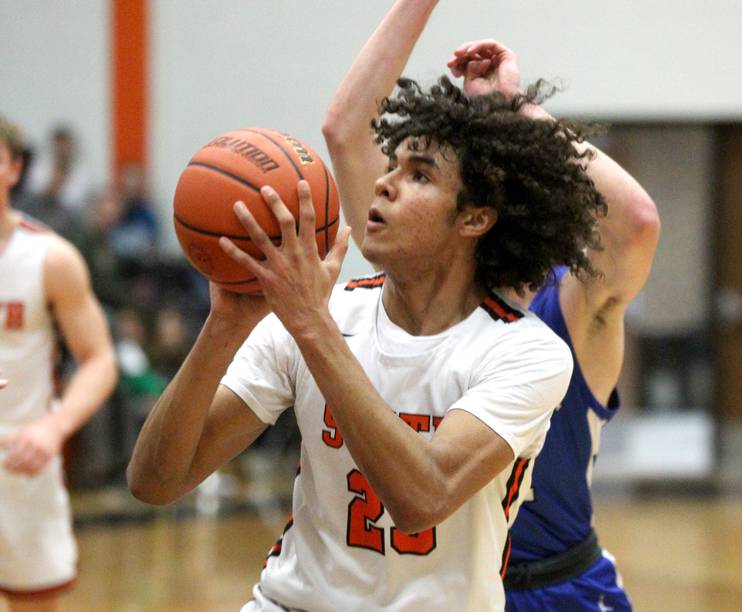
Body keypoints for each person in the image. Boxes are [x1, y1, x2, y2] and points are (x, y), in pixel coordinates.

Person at [126, 2, 607, 610]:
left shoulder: (526, 352)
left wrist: (310, 326)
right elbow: (154, 482)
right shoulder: (321, 319)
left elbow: (422, 498)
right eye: (391, 164)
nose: (384, 182)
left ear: (476, 218)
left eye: (420, 175)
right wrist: (223, 326)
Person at [323, 4, 660, 608]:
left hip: (555, 585)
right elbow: (346, 132)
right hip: (434, 590)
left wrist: (517, 114)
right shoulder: (417, 280)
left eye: (422, 175)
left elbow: (635, 222)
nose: (391, 186)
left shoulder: (572, 312)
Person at [0, 116, 118, 612]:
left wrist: (55, 427)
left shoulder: (50, 258)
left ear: (13, 168)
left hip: (21, 459)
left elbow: (99, 361)